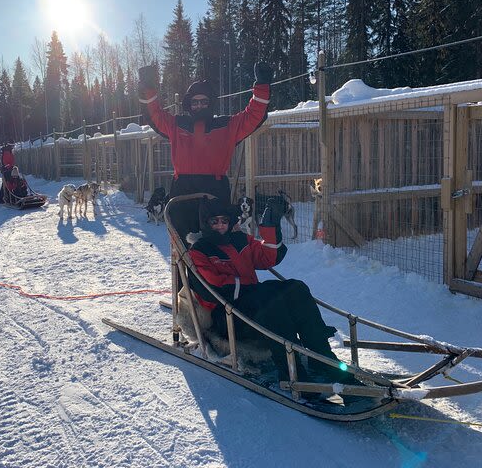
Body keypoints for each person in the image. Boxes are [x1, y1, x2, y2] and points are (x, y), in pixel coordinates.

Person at [187, 196, 358, 388]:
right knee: (269, 302)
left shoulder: (239, 240)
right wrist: (248, 285)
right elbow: (215, 288)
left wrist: (270, 226)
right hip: (227, 316)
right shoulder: (199, 250)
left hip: (252, 303)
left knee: (296, 288)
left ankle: (322, 358)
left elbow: (268, 256)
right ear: (206, 224)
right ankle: (292, 375)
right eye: (214, 221)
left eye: (224, 220)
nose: (220, 226)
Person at [138, 62, 273, 238]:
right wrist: (148, 87)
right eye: (195, 102)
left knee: (216, 245)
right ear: (189, 104)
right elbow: (154, 115)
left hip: (214, 192)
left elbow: (253, 116)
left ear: (210, 103)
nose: (199, 106)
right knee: (182, 247)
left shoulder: (227, 126)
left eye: (204, 101)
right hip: (182, 192)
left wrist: (262, 85)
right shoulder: (177, 124)